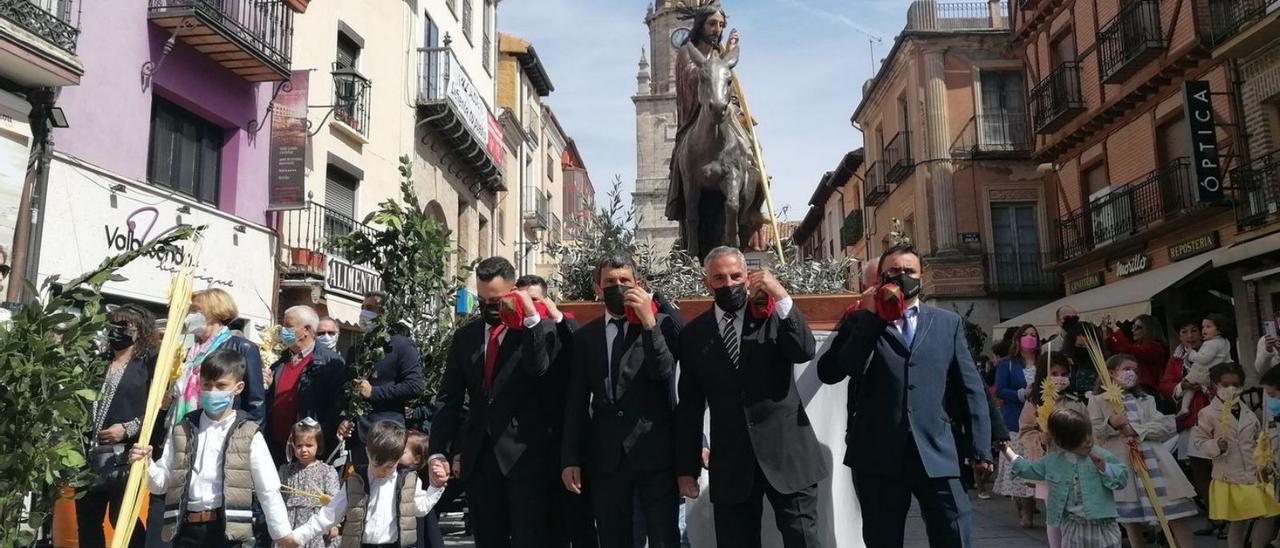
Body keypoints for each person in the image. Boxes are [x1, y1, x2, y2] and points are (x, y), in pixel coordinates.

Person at [819, 243, 991, 548]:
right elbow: (834, 371)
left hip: (937, 453)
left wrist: (980, 446)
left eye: (909, 271)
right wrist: (871, 319)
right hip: (877, 456)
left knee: (954, 534)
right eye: (894, 271)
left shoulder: (946, 323)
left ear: (921, 277)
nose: (902, 277)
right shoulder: (860, 321)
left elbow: (970, 387)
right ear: (881, 277)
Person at [675, 246, 828, 547]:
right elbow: (690, 406)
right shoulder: (693, 335)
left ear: (748, 277)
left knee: (803, 540)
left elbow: (804, 350)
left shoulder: (773, 315)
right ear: (707, 283)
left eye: (735, 275)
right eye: (719, 278)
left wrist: (781, 296)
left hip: (788, 454)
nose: (728, 283)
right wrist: (685, 470)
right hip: (731, 462)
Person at [426, 257, 560, 548]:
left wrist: (529, 320)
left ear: (513, 292)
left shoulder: (538, 330)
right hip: (480, 459)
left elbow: (539, 369)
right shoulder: (465, 337)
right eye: (482, 299)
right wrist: (438, 450)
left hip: (525, 457)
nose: (489, 306)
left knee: (530, 539)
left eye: (496, 299)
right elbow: (449, 397)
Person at [562, 255, 681, 548]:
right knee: (614, 537)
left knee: (664, 536)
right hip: (606, 458)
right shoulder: (586, 337)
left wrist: (648, 321)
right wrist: (570, 458)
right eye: (610, 282)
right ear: (597, 288)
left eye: (624, 281)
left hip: (654, 454)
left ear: (638, 285)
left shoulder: (661, 325)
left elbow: (663, 371)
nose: (618, 287)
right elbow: (576, 401)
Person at [128, 349, 292, 546]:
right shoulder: (184, 428)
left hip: (226, 531)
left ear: (238, 387)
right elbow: (161, 484)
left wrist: (282, 534)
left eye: (221, 386)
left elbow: (268, 488)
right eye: (207, 385)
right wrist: (146, 463)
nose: (213, 391)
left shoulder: (248, 432)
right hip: (186, 529)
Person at [514, 274, 599, 548]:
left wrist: (557, 316)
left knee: (578, 521)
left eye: (535, 300)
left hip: (567, 442)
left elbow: (582, 353)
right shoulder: (511, 332)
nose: (529, 306)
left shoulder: (563, 328)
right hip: (527, 447)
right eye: (523, 299)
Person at [1088, 354, 1198, 547]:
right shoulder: (1098, 401)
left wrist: (1136, 430)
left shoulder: (1146, 399)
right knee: (1132, 519)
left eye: (1135, 370)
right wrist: (1112, 424)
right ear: (1112, 373)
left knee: (1173, 512)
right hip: (1123, 461)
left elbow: (1162, 425)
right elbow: (1094, 432)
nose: (1131, 374)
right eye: (1126, 369)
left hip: (1154, 460)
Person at [280, 420, 446, 548]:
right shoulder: (355, 481)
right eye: (375, 465)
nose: (381, 472)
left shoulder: (408, 480)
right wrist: (297, 537)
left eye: (389, 467)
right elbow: (329, 514)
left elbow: (419, 508)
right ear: (367, 452)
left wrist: (435, 487)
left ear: (400, 457)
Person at [78, 305, 156, 548]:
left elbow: (158, 409)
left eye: (124, 326)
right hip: (89, 456)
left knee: (122, 519)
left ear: (139, 331)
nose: (116, 331)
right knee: (88, 521)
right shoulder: (98, 363)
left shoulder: (147, 365)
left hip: (124, 456)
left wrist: (128, 428)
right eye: (113, 325)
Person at [1006, 408, 1128, 547]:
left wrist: (1104, 467)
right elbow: (1027, 469)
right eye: (1080, 438)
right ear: (1063, 442)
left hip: (1103, 525)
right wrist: (1006, 451)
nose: (1088, 441)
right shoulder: (1053, 461)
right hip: (1073, 525)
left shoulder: (1101, 456)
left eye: (1088, 434)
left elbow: (1121, 479)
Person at [1190, 362, 1280, 547]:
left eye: (1236, 385)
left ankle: (1259, 545)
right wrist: (1216, 445)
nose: (1231, 388)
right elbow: (1199, 442)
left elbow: (1259, 439)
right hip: (1230, 475)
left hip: (1255, 473)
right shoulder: (1207, 413)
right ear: (1215, 385)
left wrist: (1265, 460)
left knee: (1270, 513)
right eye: (1225, 384)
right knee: (1239, 521)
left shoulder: (1247, 412)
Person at [338, 291, 425, 463]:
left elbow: (415, 386)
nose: (364, 312)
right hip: (357, 438)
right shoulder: (356, 349)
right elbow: (345, 389)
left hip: (387, 434)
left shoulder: (400, 345)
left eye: (369, 308)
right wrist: (344, 418)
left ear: (384, 313)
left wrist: (374, 392)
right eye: (362, 307)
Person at [1018, 354, 1088, 548]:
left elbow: (1089, 431)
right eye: (1054, 373)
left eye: (1064, 374)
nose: (1059, 378)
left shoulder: (1076, 402)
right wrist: (1039, 441)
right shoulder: (1035, 402)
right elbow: (1025, 430)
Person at [170, 288, 267, 423]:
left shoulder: (242, 348)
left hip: (224, 427)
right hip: (186, 425)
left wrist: (247, 435)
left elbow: (255, 401)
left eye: (195, 310)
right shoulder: (189, 352)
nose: (189, 315)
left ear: (215, 312)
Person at [266, 306, 347, 466]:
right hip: (277, 447)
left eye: (288, 326)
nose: (283, 330)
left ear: (307, 330)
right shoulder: (279, 363)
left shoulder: (329, 363)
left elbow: (337, 406)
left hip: (309, 451)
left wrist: (316, 440)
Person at [993, 324, 1040, 527]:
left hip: (1041, 421)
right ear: (1018, 339)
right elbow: (1000, 390)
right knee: (1021, 466)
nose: (1030, 338)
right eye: (1026, 335)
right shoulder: (1007, 364)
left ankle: (1034, 506)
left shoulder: (1044, 362)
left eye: (1034, 335)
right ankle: (1025, 510)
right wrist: (1022, 394)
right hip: (1016, 421)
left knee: (1037, 464)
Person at [278, 419, 341, 548]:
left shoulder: (327, 471)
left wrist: (334, 524)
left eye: (309, 445)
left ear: (318, 445)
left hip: (317, 525)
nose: (304, 450)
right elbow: (279, 500)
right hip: (291, 524)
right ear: (293, 446)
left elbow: (335, 501)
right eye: (299, 446)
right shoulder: (286, 470)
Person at [1180, 313, 1234, 419]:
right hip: (1218, 374)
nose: (1204, 330)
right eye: (1203, 327)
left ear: (1219, 329)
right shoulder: (1225, 341)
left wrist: (1191, 353)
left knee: (1189, 386)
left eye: (1208, 327)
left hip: (1203, 372)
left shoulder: (1211, 343)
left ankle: (1184, 408)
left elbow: (1203, 359)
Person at [401, 430, 445, 548]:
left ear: (416, 459)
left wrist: (436, 487)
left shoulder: (413, 480)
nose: (396, 455)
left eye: (403, 452)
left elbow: (421, 507)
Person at [1104, 314, 1168, 392]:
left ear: (1148, 329)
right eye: (1133, 327)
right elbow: (1118, 351)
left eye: (1137, 327)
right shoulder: (1137, 346)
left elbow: (1128, 350)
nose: (1133, 330)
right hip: (1133, 389)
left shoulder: (1155, 347)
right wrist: (1108, 333)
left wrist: (1115, 328)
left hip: (1146, 390)